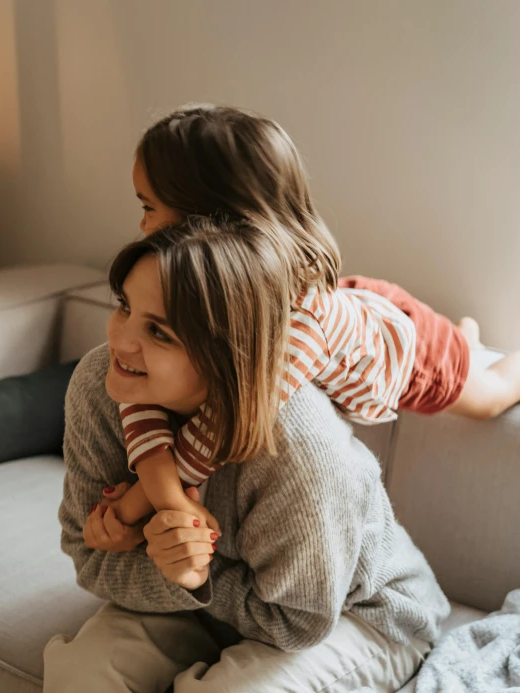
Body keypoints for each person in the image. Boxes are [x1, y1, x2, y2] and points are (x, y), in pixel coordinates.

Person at [43, 218, 450, 693]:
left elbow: (299, 623)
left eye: (159, 332)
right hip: (230, 604)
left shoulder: (300, 448)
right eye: (123, 307)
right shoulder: (100, 388)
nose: (120, 339)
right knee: (85, 670)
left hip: (363, 615)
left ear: (225, 356)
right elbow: (86, 555)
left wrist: (196, 575)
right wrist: (180, 574)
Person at [107, 103, 520, 533]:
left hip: (411, 350)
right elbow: (138, 385)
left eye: (148, 207)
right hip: (354, 307)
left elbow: (223, 425)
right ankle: (464, 338)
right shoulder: (213, 297)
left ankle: (465, 345)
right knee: (457, 345)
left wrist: (140, 502)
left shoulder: (295, 329)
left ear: (207, 219)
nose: (142, 224)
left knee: (491, 394)